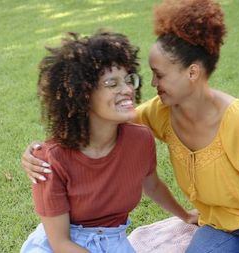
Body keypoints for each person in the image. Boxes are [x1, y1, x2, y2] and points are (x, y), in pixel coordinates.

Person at [22, 1, 239, 252]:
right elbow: (95, 121)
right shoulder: (157, 112)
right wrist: (37, 152)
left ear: (192, 73)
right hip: (218, 224)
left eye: (158, 75)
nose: (146, 85)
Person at [20, 29, 197, 253]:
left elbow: (151, 184)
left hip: (114, 242)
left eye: (128, 80)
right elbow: (60, 243)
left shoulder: (140, 139)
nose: (127, 90)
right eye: (112, 84)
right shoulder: (49, 160)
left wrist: (185, 215)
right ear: (82, 95)